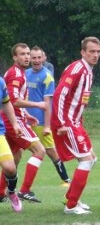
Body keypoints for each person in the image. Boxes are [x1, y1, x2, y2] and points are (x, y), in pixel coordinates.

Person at [52, 36, 100, 215]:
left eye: (98, 52)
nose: (95, 55)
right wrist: (61, 123)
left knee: (92, 159)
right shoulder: (77, 69)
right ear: (83, 52)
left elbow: (79, 100)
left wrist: (78, 121)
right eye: (91, 51)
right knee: (86, 160)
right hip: (66, 123)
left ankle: (71, 196)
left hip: (75, 122)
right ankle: (71, 205)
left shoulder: (88, 71)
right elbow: (59, 95)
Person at [0, 43, 47, 204]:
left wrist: (26, 114)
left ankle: (0, 192)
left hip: (15, 118)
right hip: (13, 121)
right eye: (22, 54)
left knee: (16, 156)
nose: (27, 57)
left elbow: (11, 100)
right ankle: (25, 191)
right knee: (39, 151)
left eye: (28, 53)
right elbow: (12, 101)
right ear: (14, 57)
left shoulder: (19, 73)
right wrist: (38, 105)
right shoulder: (16, 74)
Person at [26, 46, 71, 187]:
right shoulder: (25, 74)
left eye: (39, 57)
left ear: (44, 58)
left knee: (51, 151)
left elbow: (48, 103)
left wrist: (47, 126)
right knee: (14, 151)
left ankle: (66, 180)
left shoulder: (47, 77)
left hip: (39, 122)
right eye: (33, 57)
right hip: (24, 120)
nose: (36, 60)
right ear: (29, 59)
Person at [0, 77, 24, 212]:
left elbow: (7, 102)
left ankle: (11, 191)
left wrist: (15, 124)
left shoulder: (1, 82)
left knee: (10, 168)